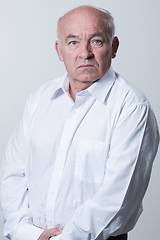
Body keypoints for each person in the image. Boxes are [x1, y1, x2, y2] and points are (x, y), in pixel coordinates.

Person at [0, 5, 159, 240]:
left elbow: (118, 199)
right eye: (73, 42)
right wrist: (28, 234)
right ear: (59, 50)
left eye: (96, 41)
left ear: (113, 47)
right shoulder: (39, 99)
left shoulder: (132, 108)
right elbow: (13, 173)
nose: (84, 53)